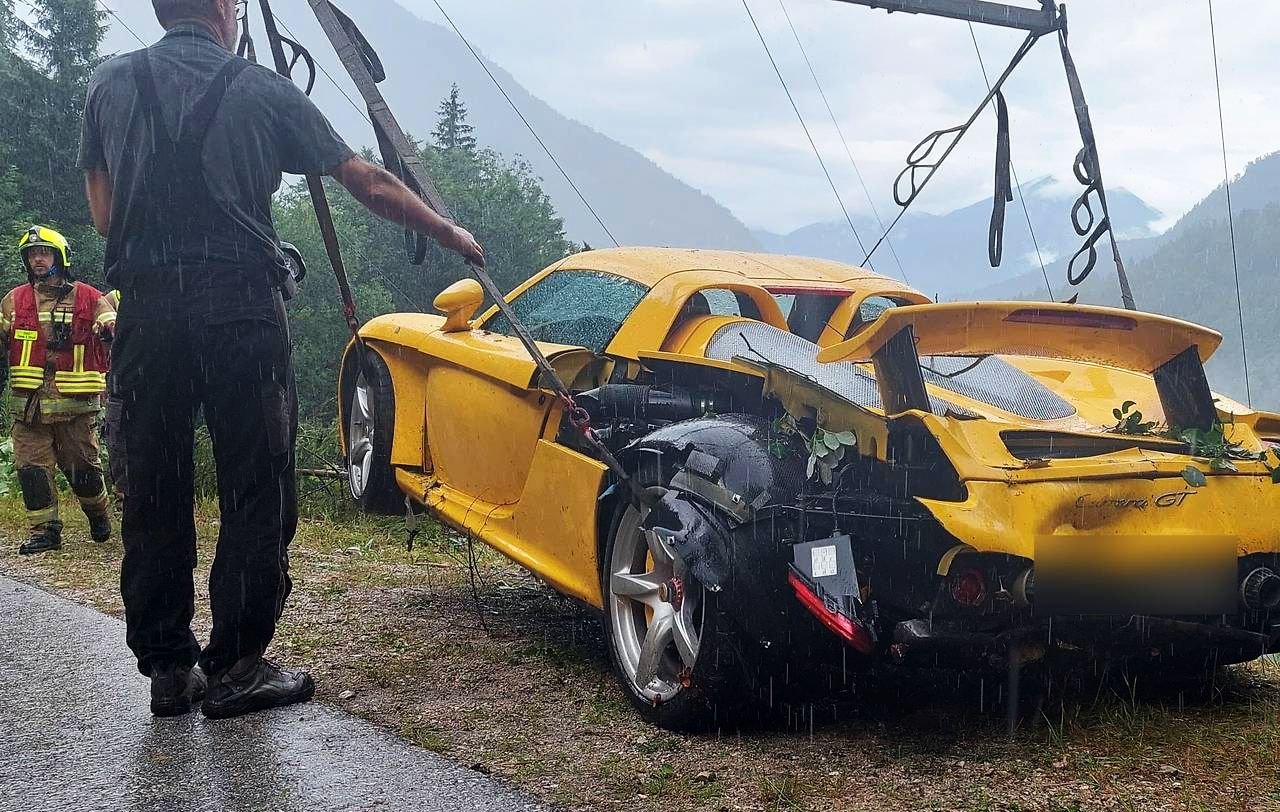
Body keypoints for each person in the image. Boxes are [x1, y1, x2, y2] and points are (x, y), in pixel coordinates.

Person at [79, 0, 484, 719]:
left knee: (152, 487)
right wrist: (446, 230)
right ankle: (236, 666)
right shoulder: (263, 91)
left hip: (148, 312)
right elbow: (365, 179)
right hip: (240, 308)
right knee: (255, 486)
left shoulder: (109, 86)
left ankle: (169, 669)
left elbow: (105, 215)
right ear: (224, 11)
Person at [1, 226, 116, 555]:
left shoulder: (87, 296)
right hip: (29, 406)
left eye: (44, 252)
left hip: (74, 405)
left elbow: (109, 319)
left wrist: (107, 327)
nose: (37, 258)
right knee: (32, 470)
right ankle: (45, 531)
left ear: (59, 257)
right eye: (32, 254)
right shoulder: (15, 299)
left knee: (83, 470)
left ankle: (98, 514)